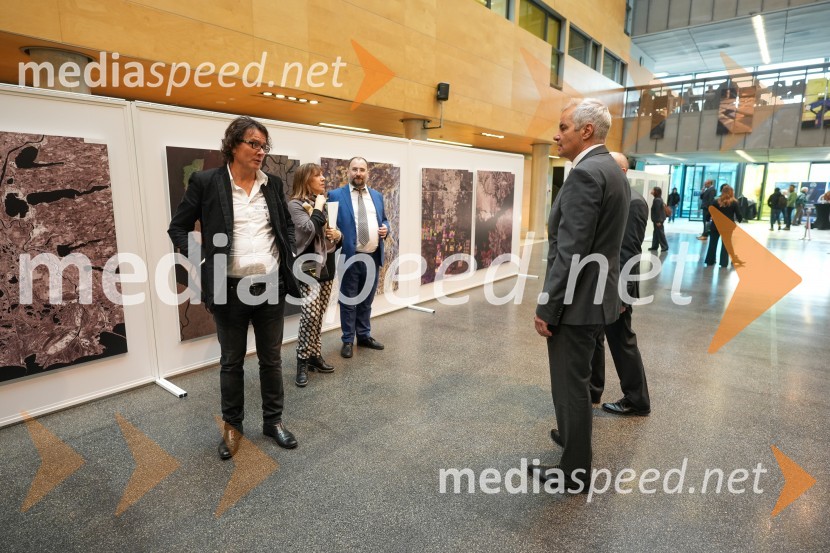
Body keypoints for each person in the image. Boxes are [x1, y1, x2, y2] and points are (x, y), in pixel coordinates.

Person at [168, 116, 300, 460]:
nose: (260, 151)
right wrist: (202, 259)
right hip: (229, 288)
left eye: (264, 146)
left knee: (272, 359)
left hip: (270, 285)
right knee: (231, 362)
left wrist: (287, 251)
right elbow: (178, 227)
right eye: (253, 144)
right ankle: (232, 429)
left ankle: (273, 422)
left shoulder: (272, 184)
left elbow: (286, 226)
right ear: (232, 145)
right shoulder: (206, 182)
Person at [531, 98, 630, 492]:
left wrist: (548, 307)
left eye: (563, 127)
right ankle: (573, 442)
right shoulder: (612, 170)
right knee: (578, 382)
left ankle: (574, 473)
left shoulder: (587, 174)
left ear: (586, 131)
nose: (557, 135)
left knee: (570, 385)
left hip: (576, 302)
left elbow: (572, 251)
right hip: (596, 297)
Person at [590, 152, 651, 417]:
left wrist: (622, 295)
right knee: (596, 337)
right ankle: (593, 389)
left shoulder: (633, 202)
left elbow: (628, 253)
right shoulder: (614, 197)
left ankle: (637, 400)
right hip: (601, 284)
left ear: (622, 172)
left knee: (621, 340)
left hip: (617, 288)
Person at [328, 157, 390, 359]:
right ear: (348, 171)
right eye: (354, 169)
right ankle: (347, 340)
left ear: (367, 173)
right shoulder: (335, 195)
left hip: (372, 256)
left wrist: (386, 228)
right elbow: (330, 225)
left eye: (362, 170)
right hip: (350, 257)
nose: (358, 173)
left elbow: (384, 220)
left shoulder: (377, 196)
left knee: (366, 300)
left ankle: (363, 336)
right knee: (348, 301)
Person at [288, 163, 342, 387]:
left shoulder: (323, 203)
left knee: (319, 314)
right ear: (305, 180)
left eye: (322, 174)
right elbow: (308, 230)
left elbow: (331, 232)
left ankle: (314, 355)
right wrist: (318, 207)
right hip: (308, 264)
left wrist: (337, 235)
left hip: (327, 262)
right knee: (309, 314)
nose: (323, 178)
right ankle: (301, 360)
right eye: (317, 175)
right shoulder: (295, 205)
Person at [704, 185, 742, 268]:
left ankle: (710, 261)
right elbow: (738, 214)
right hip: (727, 227)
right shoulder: (734, 202)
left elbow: (709, 212)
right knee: (725, 245)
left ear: (722, 192)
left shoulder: (716, 201)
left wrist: (707, 219)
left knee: (712, 243)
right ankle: (723, 263)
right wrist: (740, 219)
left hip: (715, 225)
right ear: (732, 192)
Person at [648, 186, 669, 252]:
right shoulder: (658, 199)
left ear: (656, 192)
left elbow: (658, 211)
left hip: (658, 220)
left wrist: (658, 221)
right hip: (658, 219)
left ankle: (665, 246)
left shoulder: (657, 200)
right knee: (656, 233)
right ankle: (654, 246)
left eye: (653, 190)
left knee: (660, 233)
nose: (651, 191)